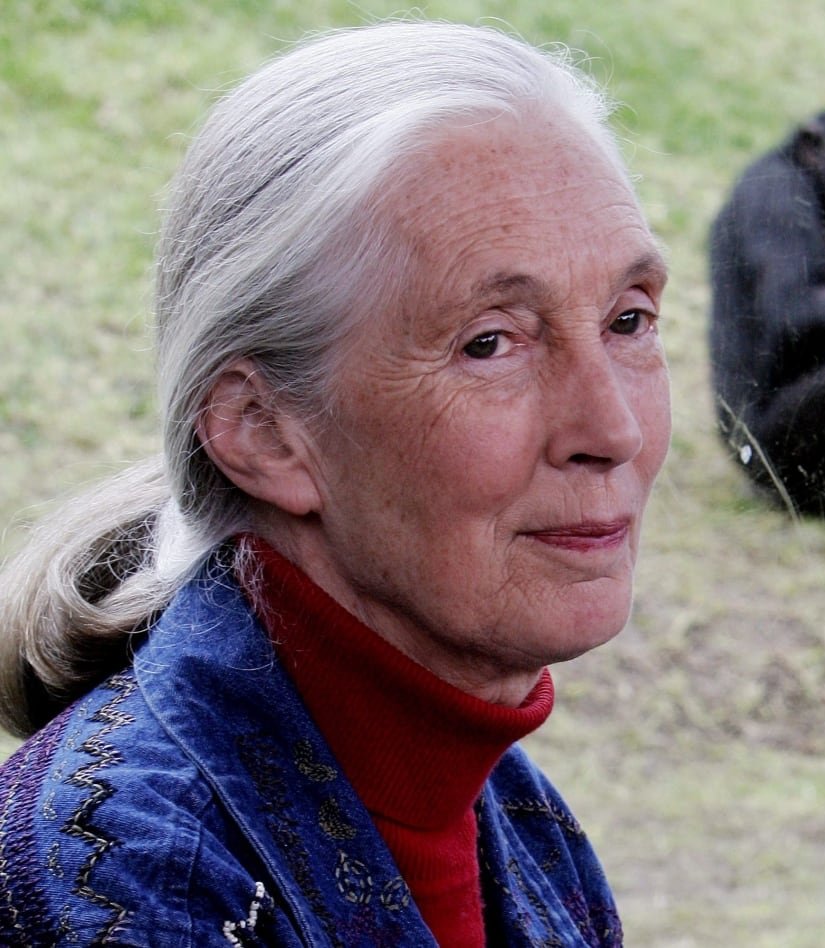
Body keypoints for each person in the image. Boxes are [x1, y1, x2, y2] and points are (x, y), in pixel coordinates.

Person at [0, 20, 669, 947]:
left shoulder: (518, 824)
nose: (614, 430)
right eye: (489, 343)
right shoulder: (127, 882)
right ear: (263, 432)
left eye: (629, 321)